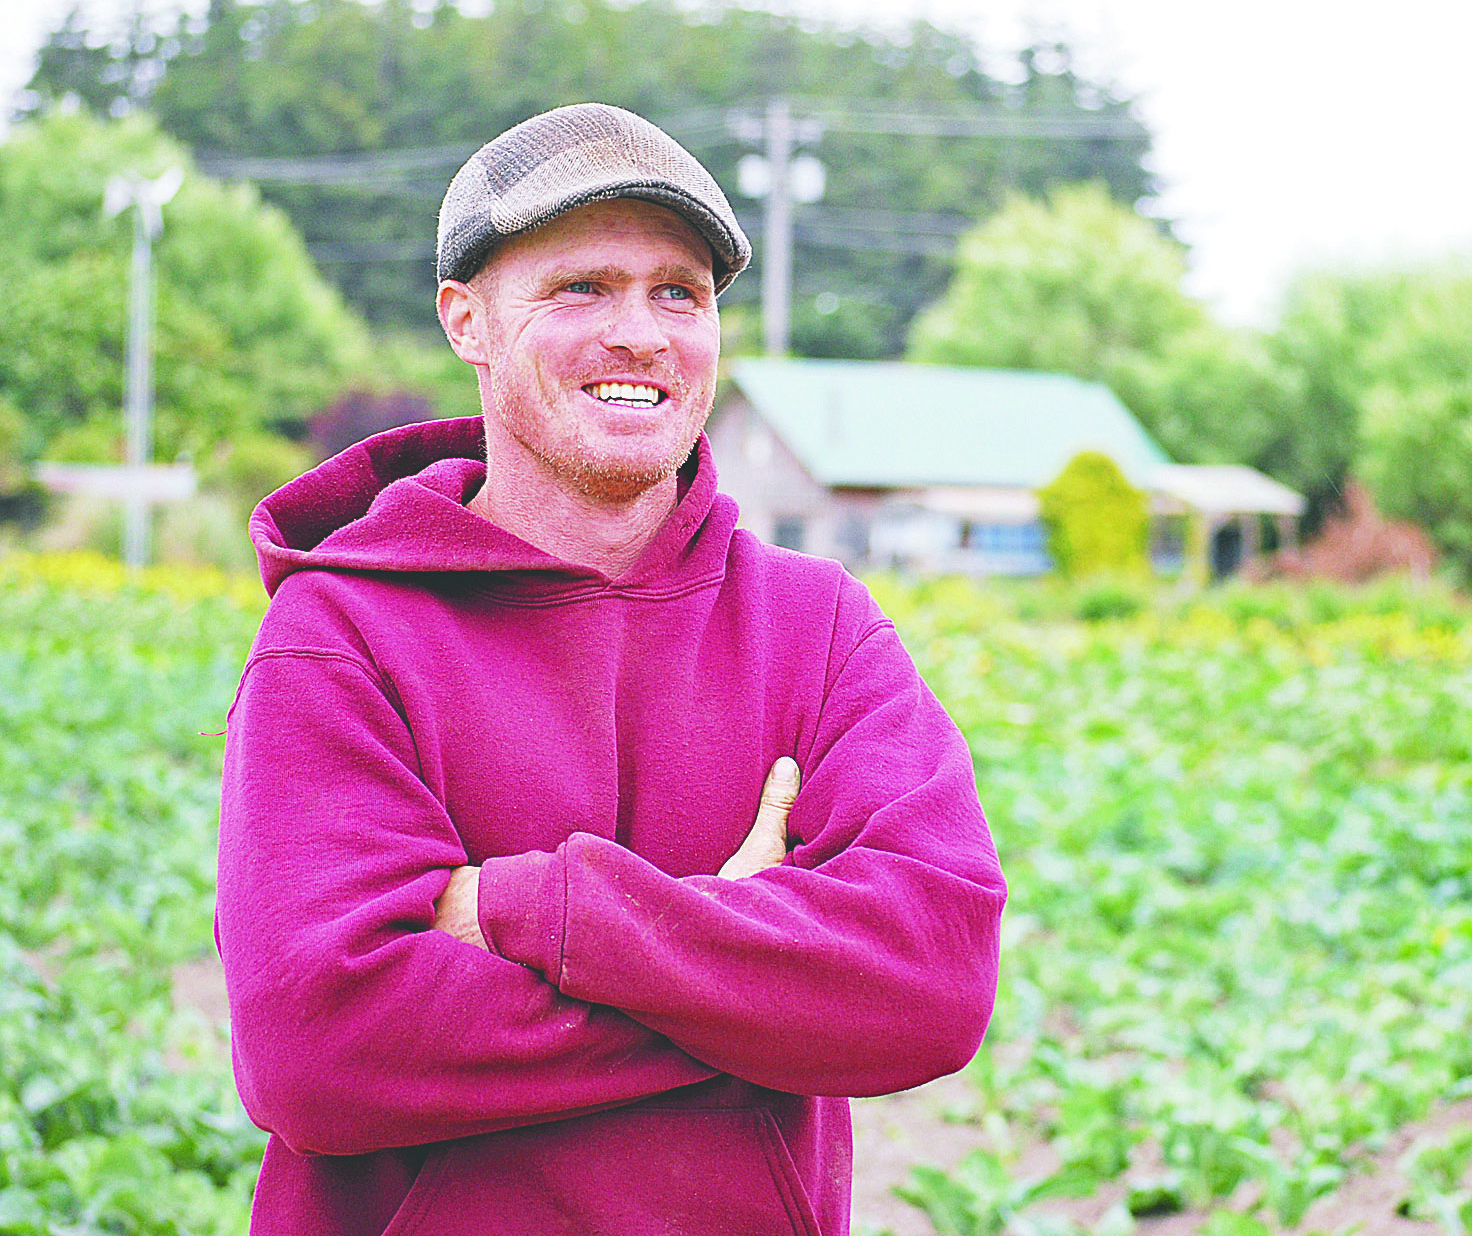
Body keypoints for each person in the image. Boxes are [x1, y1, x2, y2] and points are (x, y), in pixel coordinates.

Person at [216, 102, 1006, 1236]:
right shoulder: (341, 632)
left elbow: (926, 984)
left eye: (679, 291)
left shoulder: (816, 625)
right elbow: (320, 1049)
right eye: (581, 285)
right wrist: (750, 977)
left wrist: (541, 907)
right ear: (466, 319)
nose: (641, 333)